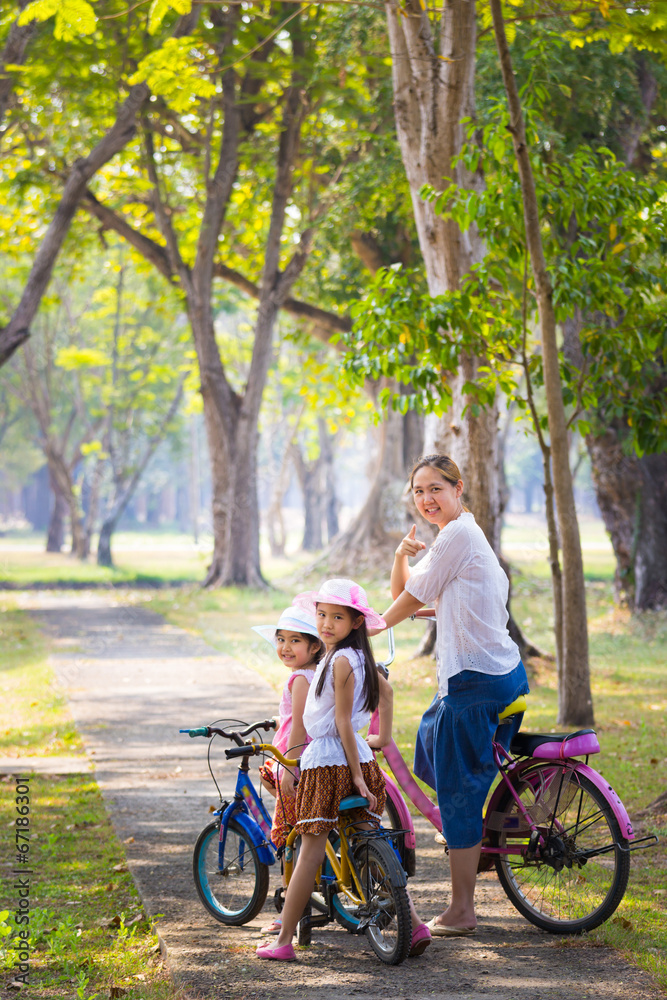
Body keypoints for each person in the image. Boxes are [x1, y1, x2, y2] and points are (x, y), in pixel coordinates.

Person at [377, 455, 529, 937]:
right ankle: (466, 835)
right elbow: (414, 593)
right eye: (419, 491)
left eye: (436, 488)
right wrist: (401, 555)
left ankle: (462, 908)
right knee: (430, 732)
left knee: (459, 797)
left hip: (475, 684)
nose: (426, 499)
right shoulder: (462, 534)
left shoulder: (457, 535)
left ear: (458, 488)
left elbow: (405, 602)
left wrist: (364, 629)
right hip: (501, 676)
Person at [256, 578, 431, 961]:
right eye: (321, 615)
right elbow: (386, 694)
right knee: (368, 838)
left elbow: (338, 723)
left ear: (355, 622)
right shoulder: (359, 658)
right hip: (359, 759)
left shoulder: (337, 660)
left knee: (309, 852)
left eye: (337, 616)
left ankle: (284, 940)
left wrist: (353, 774)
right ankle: (413, 923)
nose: (325, 624)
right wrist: (380, 739)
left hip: (329, 764)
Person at [251, 606, 325, 934]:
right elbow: (298, 717)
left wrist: (289, 767)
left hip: (300, 761)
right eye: (281, 639)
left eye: (295, 640)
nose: (284, 647)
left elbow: (299, 730)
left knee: (290, 836)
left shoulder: (300, 679)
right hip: (316, 757)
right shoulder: (317, 673)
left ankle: (289, 913)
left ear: (314, 647)